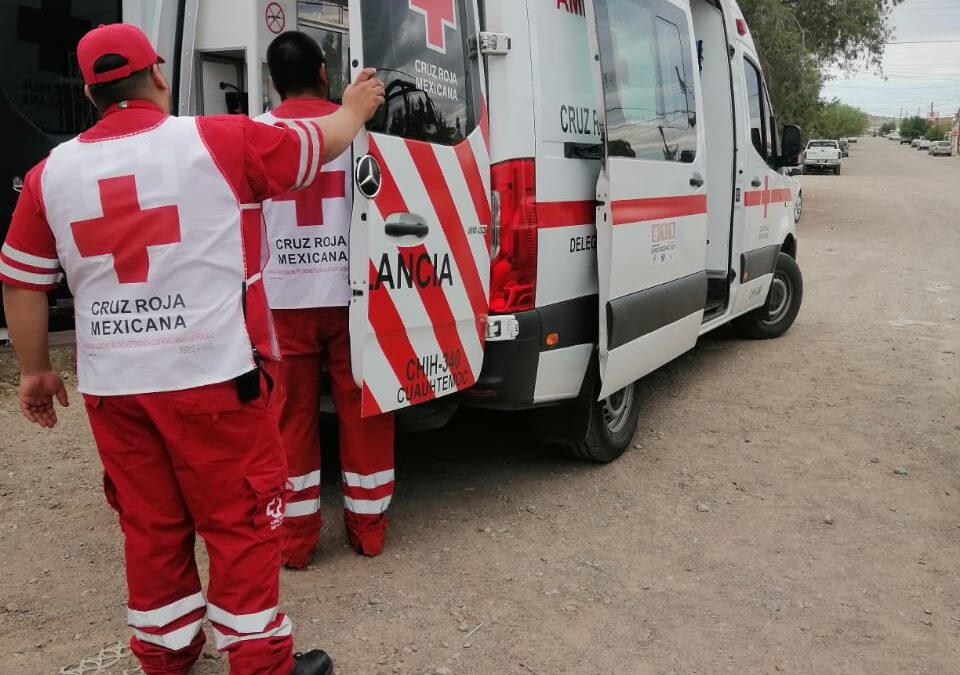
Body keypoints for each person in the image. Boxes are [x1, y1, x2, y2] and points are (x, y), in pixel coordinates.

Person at [0, 23, 383, 675]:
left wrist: (35, 370)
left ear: (92, 94)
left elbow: (22, 279)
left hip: (115, 390)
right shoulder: (214, 139)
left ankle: (168, 653)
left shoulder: (48, 174)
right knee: (238, 522)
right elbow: (317, 145)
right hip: (213, 377)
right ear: (157, 76)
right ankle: (261, 661)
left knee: (150, 524)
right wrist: (352, 108)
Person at [255, 31, 396, 565]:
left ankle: (294, 543)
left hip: (284, 300)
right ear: (322, 73)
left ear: (271, 81)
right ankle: (369, 530)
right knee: (365, 407)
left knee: (289, 418)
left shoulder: (255, 134)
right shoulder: (358, 129)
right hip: (353, 295)